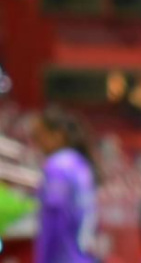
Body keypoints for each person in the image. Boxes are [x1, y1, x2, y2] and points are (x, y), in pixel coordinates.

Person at [32, 106, 98, 263]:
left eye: (39, 135)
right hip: (81, 254)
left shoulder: (57, 166)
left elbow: (56, 216)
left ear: (58, 135)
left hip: (64, 256)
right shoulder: (80, 163)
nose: (37, 142)